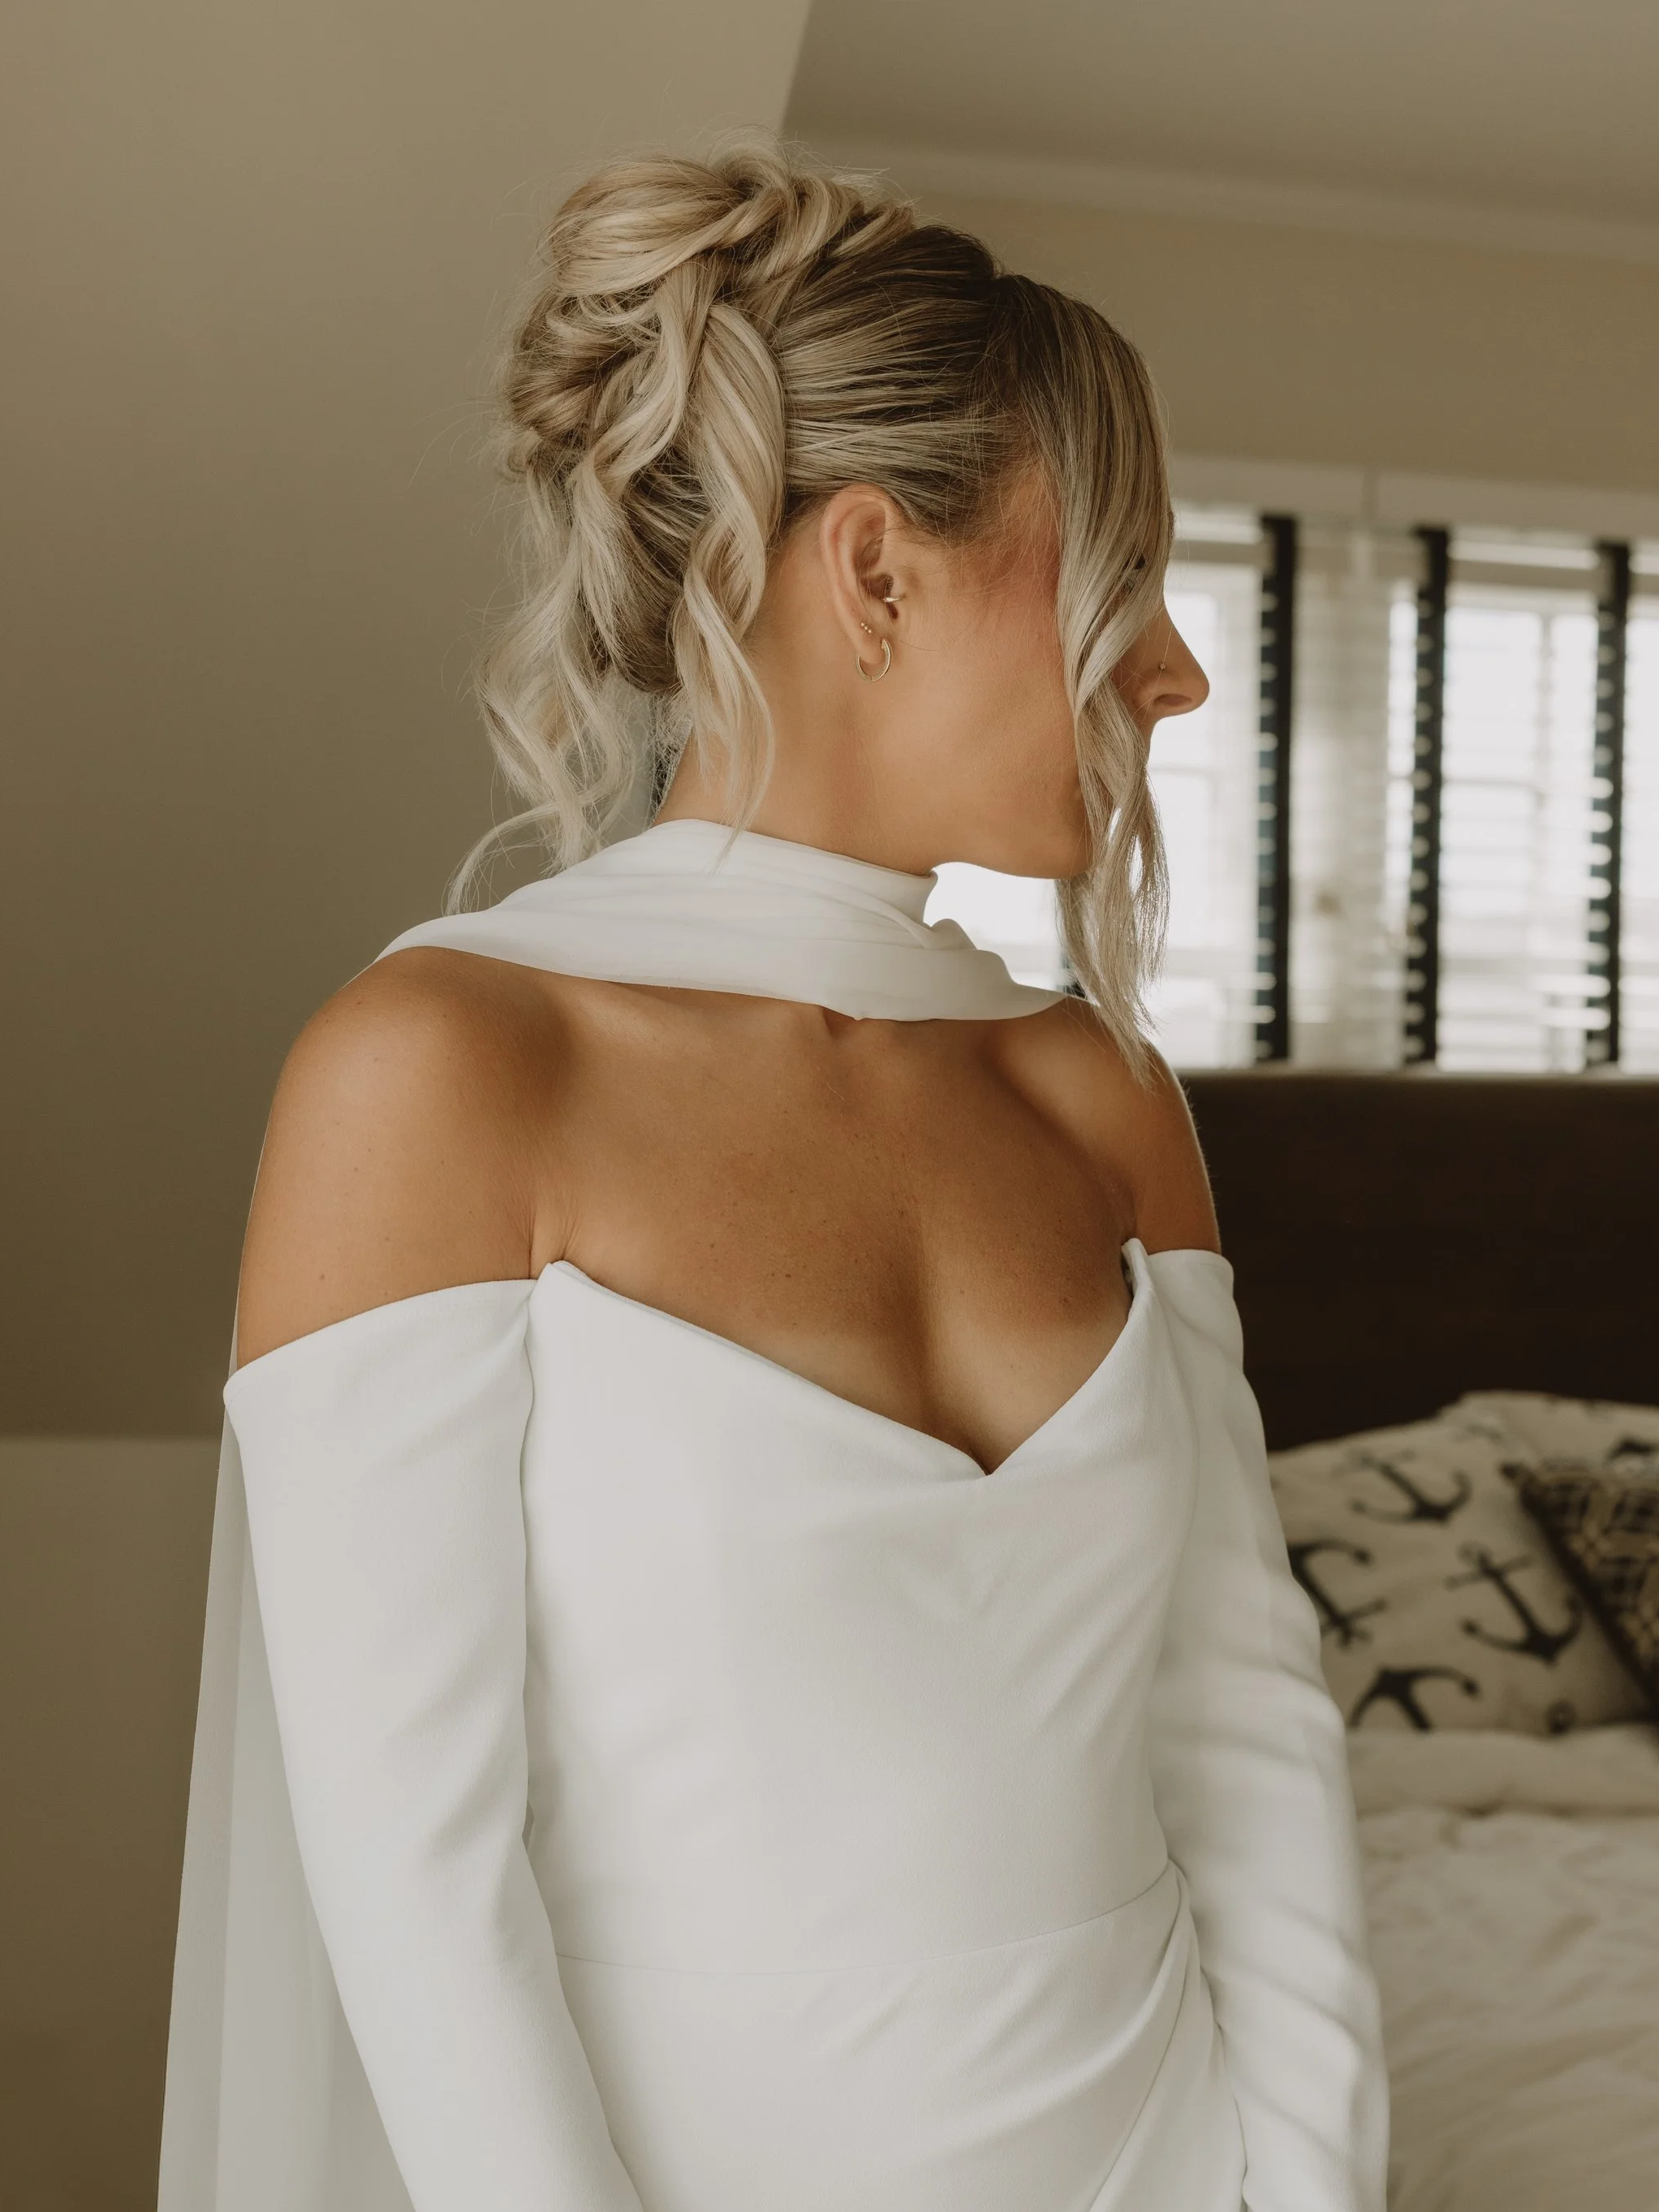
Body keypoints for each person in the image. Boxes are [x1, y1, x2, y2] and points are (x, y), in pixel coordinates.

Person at [159, 140, 1387, 2212]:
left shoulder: (1097, 1097)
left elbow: (1243, 1729)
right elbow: (417, 1882)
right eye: (1120, 570)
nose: (1174, 667)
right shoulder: (439, 1075)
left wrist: (1303, 2187)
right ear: (875, 574)